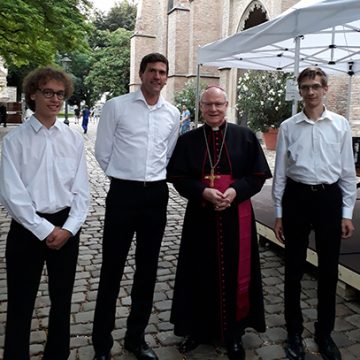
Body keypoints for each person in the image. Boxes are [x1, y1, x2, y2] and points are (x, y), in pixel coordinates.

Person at [167, 85, 272, 360]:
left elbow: (258, 175)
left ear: (227, 105)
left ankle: (234, 333)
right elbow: (178, 178)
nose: (213, 109)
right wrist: (203, 191)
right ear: (201, 107)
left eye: (219, 104)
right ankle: (197, 329)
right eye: (208, 104)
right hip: (200, 217)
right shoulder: (188, 140)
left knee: (236, 272)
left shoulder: (245, 137)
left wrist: (235, 192)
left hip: (236, 217)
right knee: (198, 271)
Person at [92, 53, 180, 360]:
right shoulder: (117, 106)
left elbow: (167, 154)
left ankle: (135, 337)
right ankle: (101, 344)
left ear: (166, 77)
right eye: (152, 71)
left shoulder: (172, 113)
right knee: (111, 269)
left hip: (155, 197)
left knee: (148, 269)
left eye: (162, 72)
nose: (157, 76)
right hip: (123, 195)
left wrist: (149, 180)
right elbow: (102, 151)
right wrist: (125, 177)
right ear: (141, 73)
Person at [0, 66, 90, 360]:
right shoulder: (14, 141)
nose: (55, 99)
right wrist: (44, 230)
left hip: (66, 228)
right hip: (27, 230)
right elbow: (12, 194)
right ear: (32, 95)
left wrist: (69, 227)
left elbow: (81, 190)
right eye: (48, 92)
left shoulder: (73, 138)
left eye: (60, 94)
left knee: (62, 301)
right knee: (21, 304)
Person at [272, 66, 357, 360]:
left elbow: (348, 172)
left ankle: (324, 333)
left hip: (329, 200)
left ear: (325, 89)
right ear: (300, 90)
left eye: (315, 86)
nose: (310, 92)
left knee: (329, 271)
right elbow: (280, 173)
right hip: (297, 197)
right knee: (293, 270)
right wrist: (280, 213)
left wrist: (347, 213)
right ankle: (294, 332)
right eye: (305, 87)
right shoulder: (288, 127)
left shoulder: (341, 126)